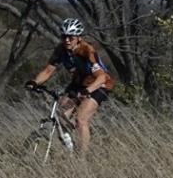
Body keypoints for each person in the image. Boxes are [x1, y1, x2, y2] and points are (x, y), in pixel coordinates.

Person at [26, 18, 114, 153]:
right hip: (78, 84)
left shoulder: (87, 50)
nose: (67, 40)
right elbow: (48, 70)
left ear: (78, 37)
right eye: (64, 37)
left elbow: (101, 77)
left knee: (81, 118)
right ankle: (71, 150)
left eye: (70, 37)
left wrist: (87, 91)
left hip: (99, 85)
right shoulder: (61, 50)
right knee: (60, 117)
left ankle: (82, 160)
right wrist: (35, 82)